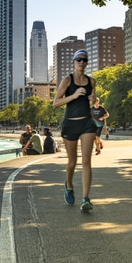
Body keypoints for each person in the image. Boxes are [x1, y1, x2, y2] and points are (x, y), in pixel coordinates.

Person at [53, 49, 98, 212]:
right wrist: (74, 95)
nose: (81, 62)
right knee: (72, 162)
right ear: (73, 62)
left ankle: (86, 198)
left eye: (84, 60)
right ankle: (69, 186)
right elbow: (55, 102)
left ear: (87, 63)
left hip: (86, 123)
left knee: (86, 160)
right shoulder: (67, 80)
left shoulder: (92, 81)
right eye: (78, 59)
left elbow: (93, 103)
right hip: (70, 124)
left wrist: (93, 100)